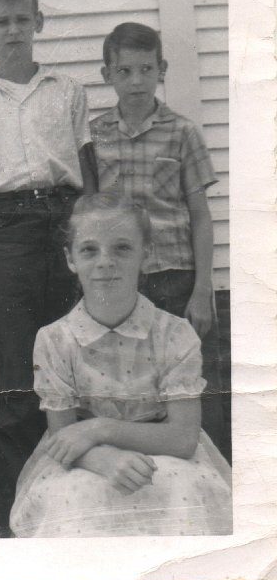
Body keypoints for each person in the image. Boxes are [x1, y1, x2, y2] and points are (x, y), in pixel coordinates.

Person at [0, 0, 97, 531]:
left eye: (22, 19)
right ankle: (21, 508)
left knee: (75, 354)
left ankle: (78, 497)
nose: (12, 31)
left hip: (64, 220)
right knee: (17, 368)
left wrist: (86, 235)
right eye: (1, 22)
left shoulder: (67, 90)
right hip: (6, 231)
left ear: (38, 23)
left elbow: (88, 175)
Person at [10, 194, 232, 537]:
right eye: (89, 250)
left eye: (122, 248)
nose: (105, 262)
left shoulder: (174, 333)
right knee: (75, 496)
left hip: (167, 452)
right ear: (70, 259)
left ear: (147, 254)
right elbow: (63, 434)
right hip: (85, 458)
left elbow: (184, 438)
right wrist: (104, 458)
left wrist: (102, 429)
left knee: (182, 491)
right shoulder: (55, 340)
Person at [90, 22, 225, 453]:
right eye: (124, 71)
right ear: (106, 73)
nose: (136, 81)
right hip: (122, 282)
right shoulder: (94, 137)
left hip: (175, 278)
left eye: (145, 69)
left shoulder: (182, 132)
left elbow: (201, 217)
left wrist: (203, 290)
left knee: (192, 386)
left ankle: (214, 474)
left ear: (161, 69)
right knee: (131, 385)